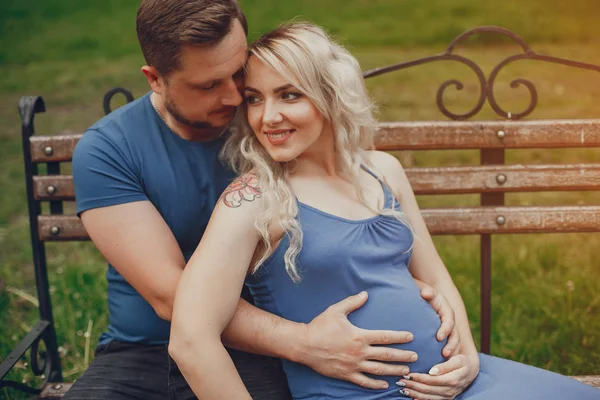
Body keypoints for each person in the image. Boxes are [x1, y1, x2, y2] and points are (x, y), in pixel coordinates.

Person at [168, 22, 600, 399]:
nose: (268, 116)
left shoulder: (381, 171)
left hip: (463, 382)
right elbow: (190, 340)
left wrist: (466, 356)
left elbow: (435, 277)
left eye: (289, 95)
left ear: (330, 94)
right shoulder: (254, 197)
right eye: (255, 98)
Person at [68, 1, 468, 399]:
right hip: (143, 352)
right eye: (209, 85)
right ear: (155, 79)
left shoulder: (275, 130)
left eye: (239, 74)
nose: (235, 97)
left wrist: (403, 282)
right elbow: (173, 299)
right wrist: (305, 343)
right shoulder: (109, 150)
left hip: (259, 353)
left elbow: (344, 203)